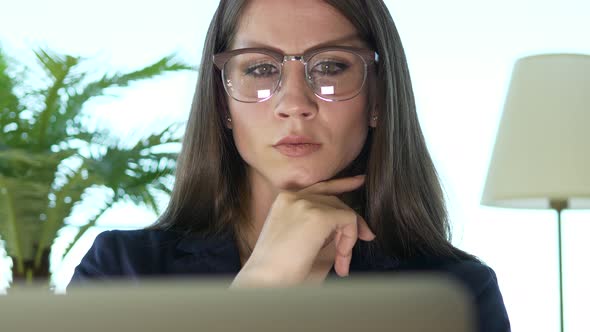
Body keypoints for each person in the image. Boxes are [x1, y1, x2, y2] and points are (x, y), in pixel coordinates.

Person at [70, 0, 511, 330]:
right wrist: (263, 280)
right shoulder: (121, 271)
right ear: (223, 102)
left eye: (331, 67)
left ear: (377, 98)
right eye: (261, 69)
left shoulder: (455, 295)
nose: (295, 105)